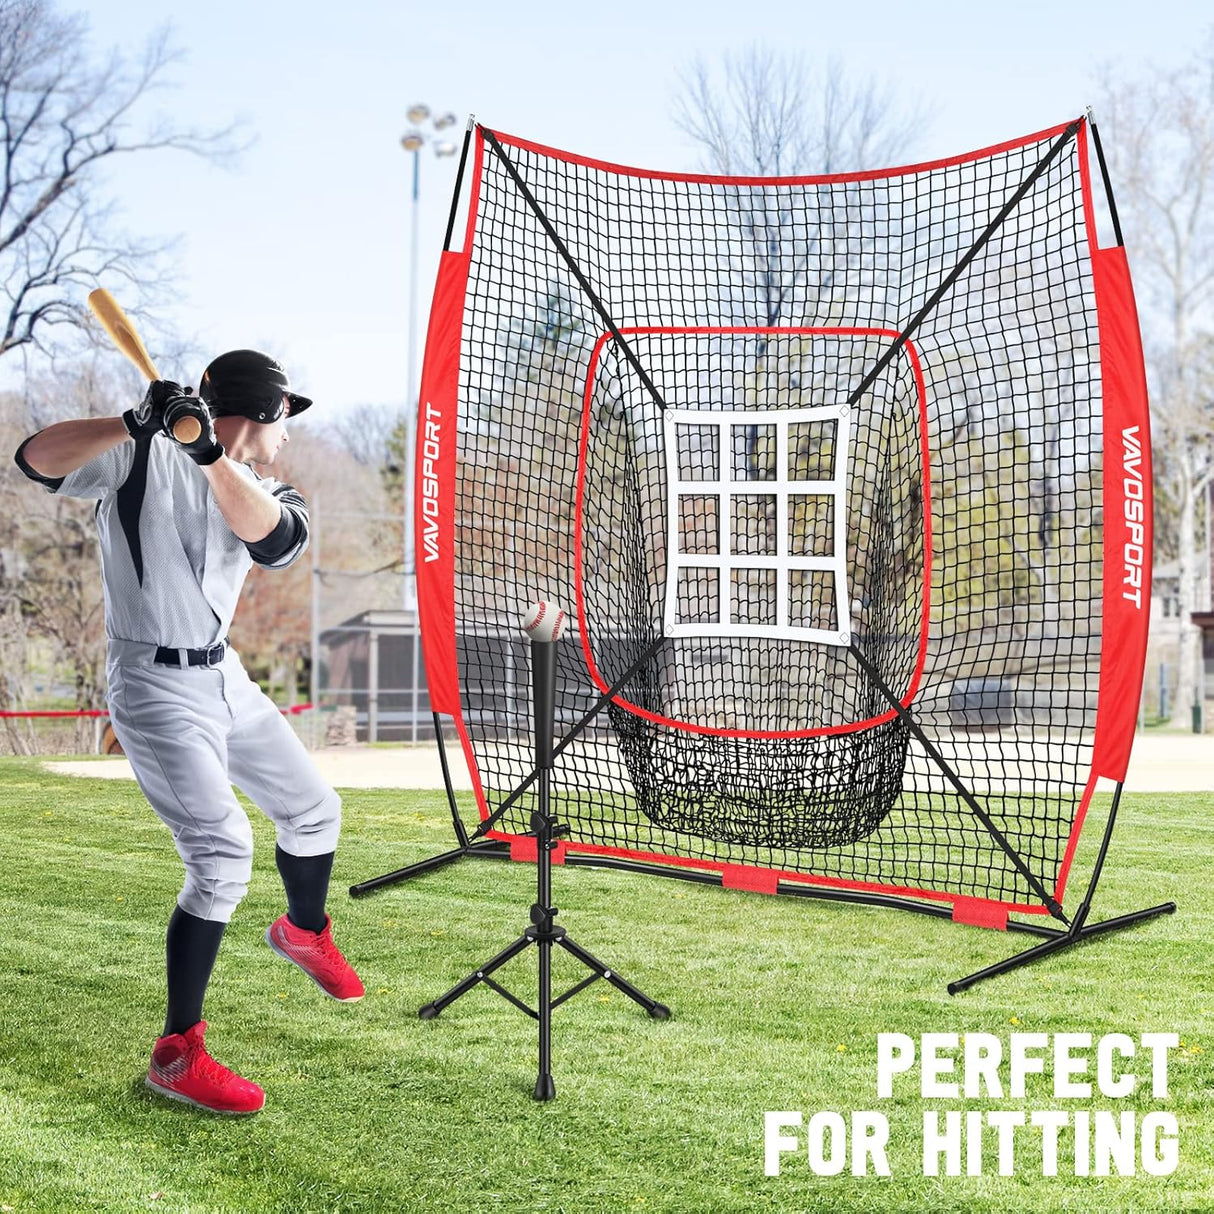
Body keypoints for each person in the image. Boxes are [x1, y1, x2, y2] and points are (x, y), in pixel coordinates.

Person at [13, 350, 364, 1115]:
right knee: (223, 853)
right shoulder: (136, 455)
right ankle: (178, 1054)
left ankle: (305, 931)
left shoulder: (267, 486)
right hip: (151, 683)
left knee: (315, 809)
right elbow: (33, 459)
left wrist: (205, 451)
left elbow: (274, 541)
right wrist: (128, 423)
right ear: (261, 414)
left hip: (222, 674)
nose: (289, 437)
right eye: (285, 420)